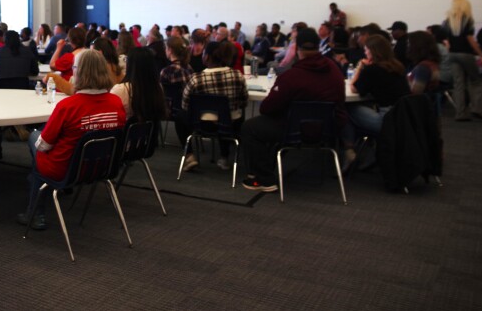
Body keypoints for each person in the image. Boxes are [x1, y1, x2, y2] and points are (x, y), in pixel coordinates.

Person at [17, 49, 126, 230]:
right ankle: (43, 185)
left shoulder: (68, 106)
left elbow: (44, 146)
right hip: (102, 167)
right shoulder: (115, 103)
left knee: (35, 137)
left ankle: (36, 211)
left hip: (65, 167)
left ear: (79, 72)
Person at [241, 28, 347, 192]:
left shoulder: (292, 76)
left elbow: (267, 108)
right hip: (329, 129)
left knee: (251, 127)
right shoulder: (334, 71)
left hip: (295, 130)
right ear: (319, 46)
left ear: (297, 49)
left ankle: (263, 178)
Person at [343, 35, 411, 167]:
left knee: (346, 109)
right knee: (358, 112)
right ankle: (369, 151)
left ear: (373, 51)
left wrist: (360, 67)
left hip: (386, 120)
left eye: (366, 50)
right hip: (404, 118)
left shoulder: (372, 70)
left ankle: (348, 149)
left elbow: (354, 87)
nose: (365, 53)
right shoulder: (397, 66)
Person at [181, 41, 248, 171]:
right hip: (231, 124)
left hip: (202, 124)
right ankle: (224, 157)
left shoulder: (196, 78)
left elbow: (185, 104)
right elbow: (244, 102)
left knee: (180, 116)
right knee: (227, 115)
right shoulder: (237, 76)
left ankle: (190, 156)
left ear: (206, 56)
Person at [443, 0, 482, 121]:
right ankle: (476, 108)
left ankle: (460, 113)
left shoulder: (447, 21)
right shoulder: (467, 19)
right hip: (466, 54)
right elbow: (470, 40)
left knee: (458, 84)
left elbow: (446, 41)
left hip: (452, 54)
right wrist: (481, 54)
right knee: (475, 81)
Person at [111, 47, 165, 127]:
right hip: (151, 136)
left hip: (125, 136)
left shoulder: (120, 90)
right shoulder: (158, 87)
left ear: (130, 65)